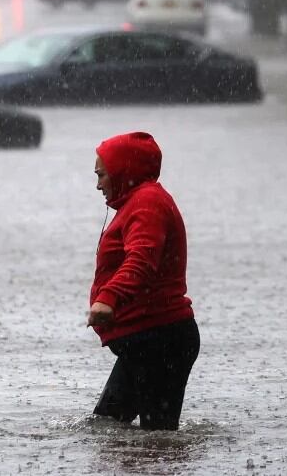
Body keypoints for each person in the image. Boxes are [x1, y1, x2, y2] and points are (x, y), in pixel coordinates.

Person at [87, 131, 200, 431]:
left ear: (123, 170)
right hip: (148, 341)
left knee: (158, 441)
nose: (98, 184)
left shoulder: (147, 203)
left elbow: (141, 259)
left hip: (161, 339)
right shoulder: (139, 202)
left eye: (102, 175)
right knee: (106, 429)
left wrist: (108, 298)